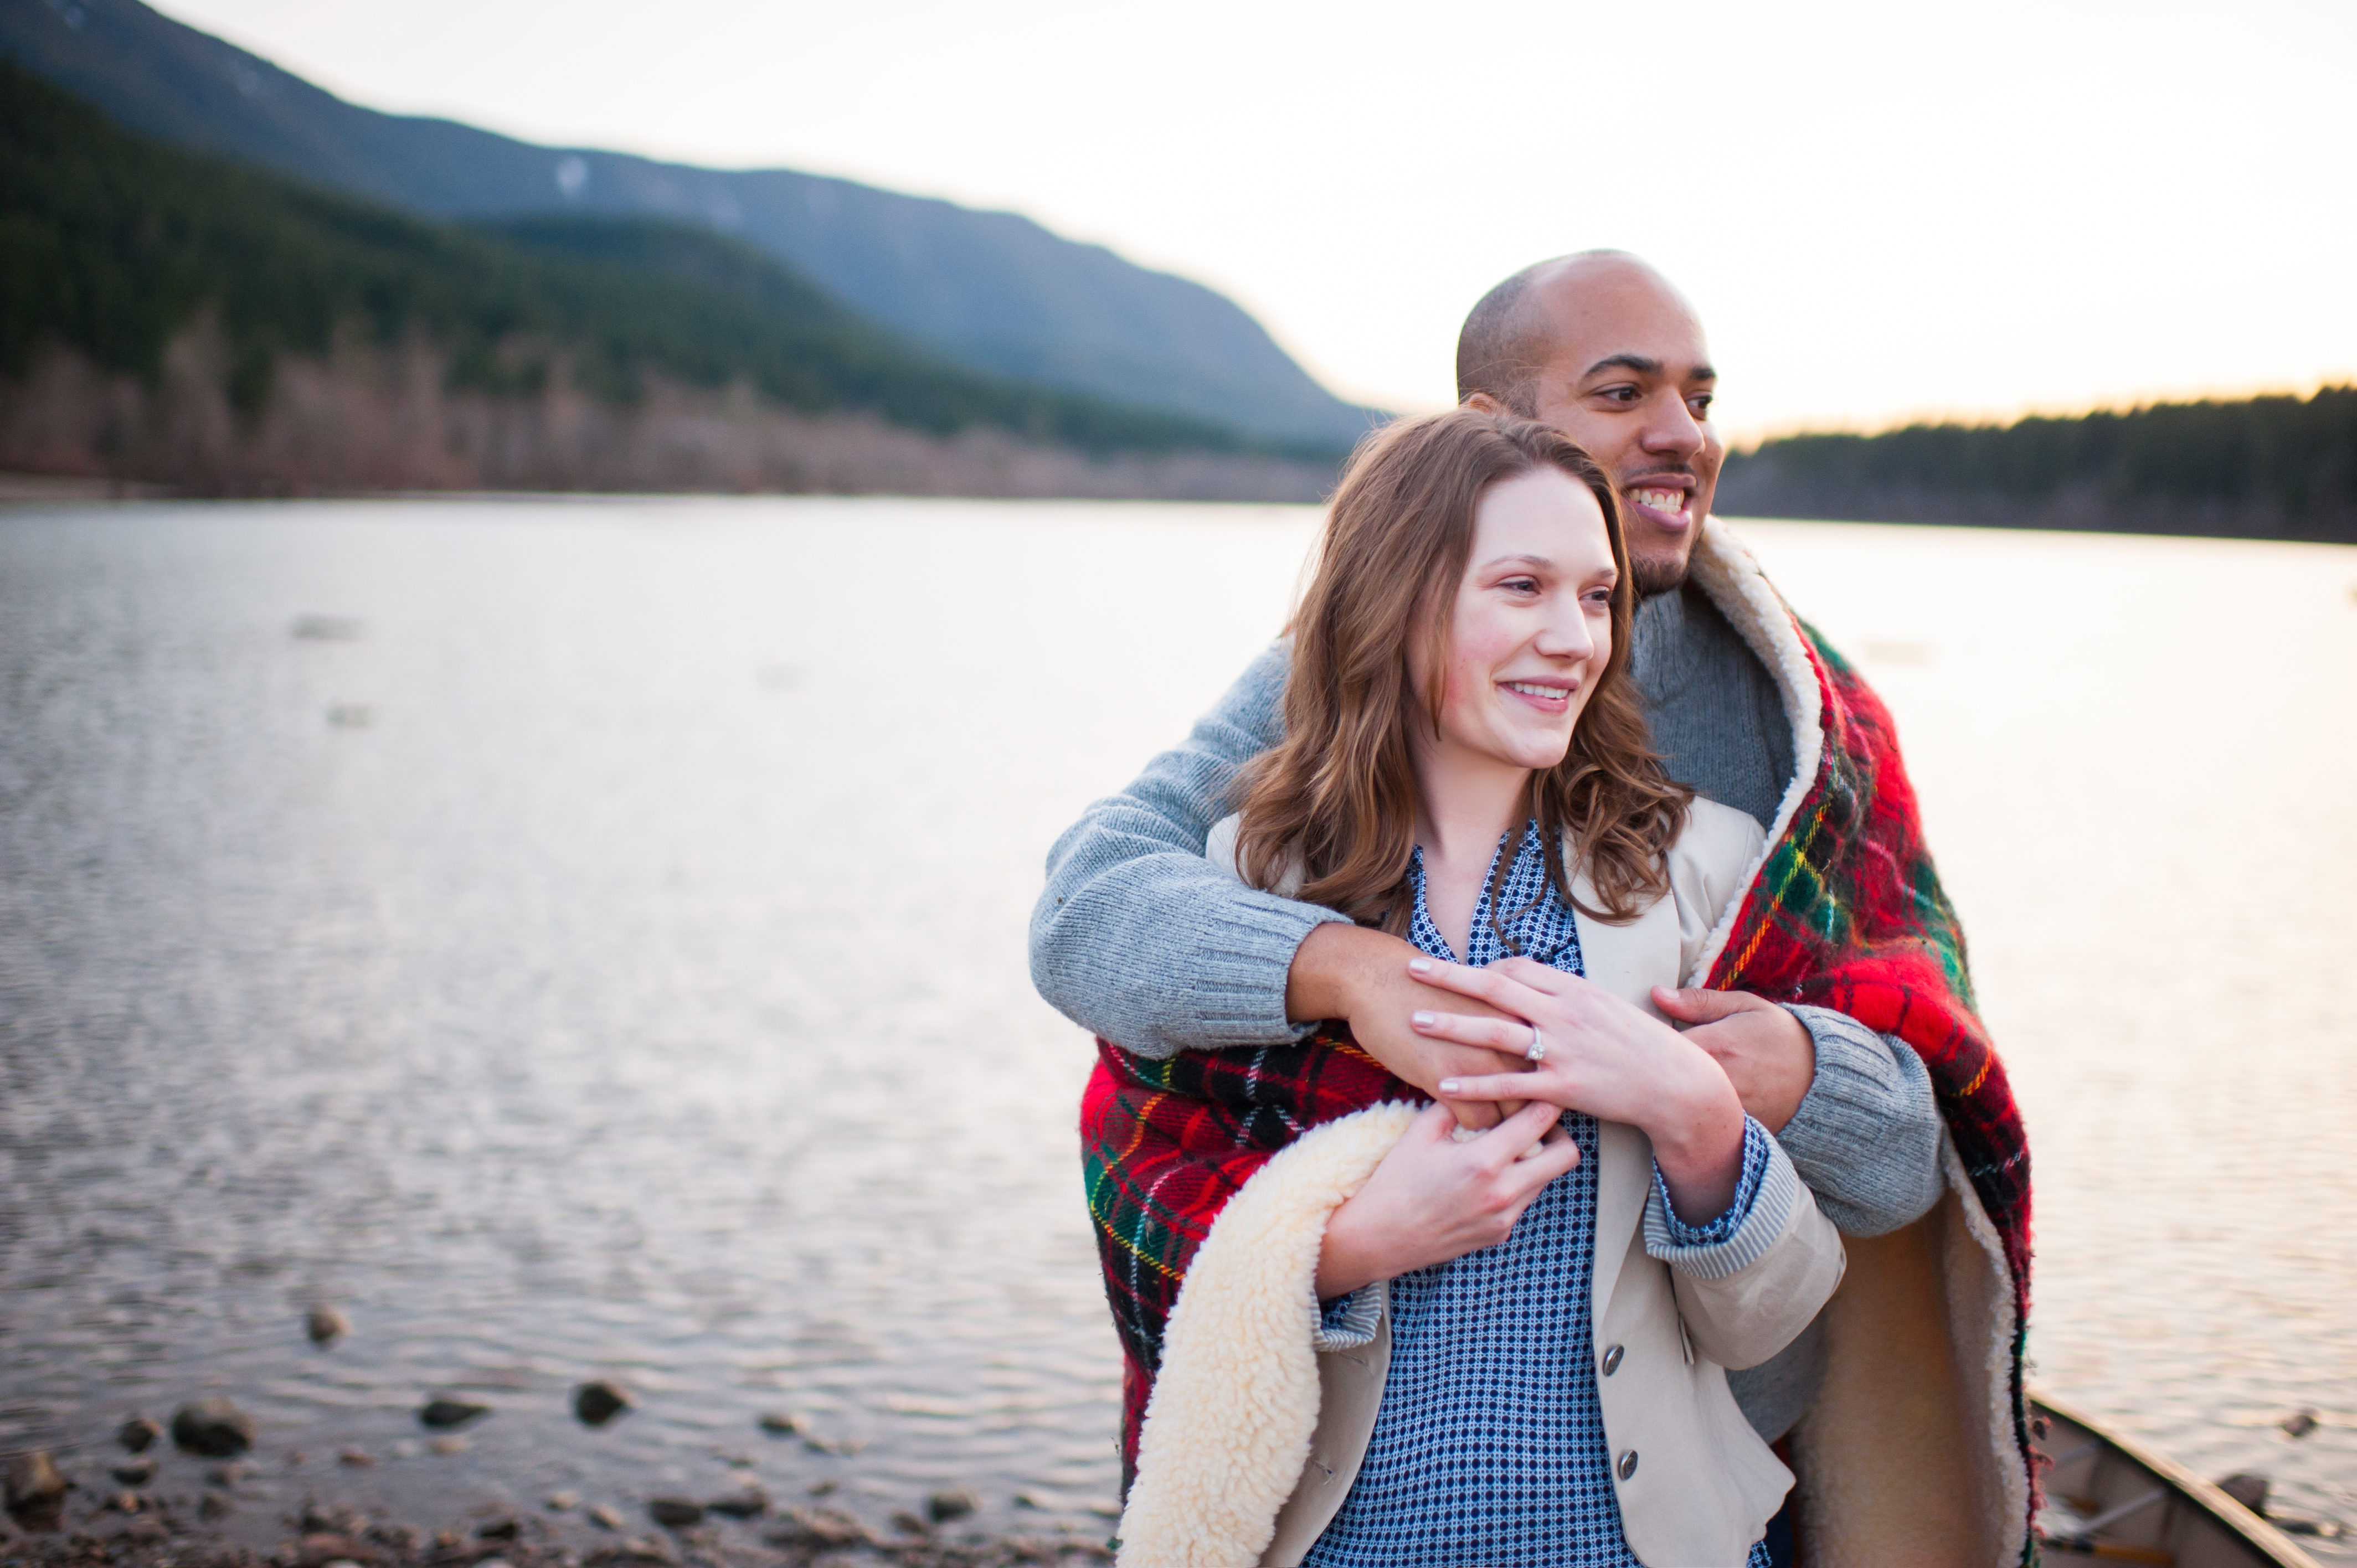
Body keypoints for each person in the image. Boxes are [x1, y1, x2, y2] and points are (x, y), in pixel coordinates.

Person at [1044, 254, 2035, 1564]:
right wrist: (1347, 973)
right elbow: (1096, 911)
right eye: (1622, 392)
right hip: (1365, 1475)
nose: (1680, 433)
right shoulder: (1332, 692)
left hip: (1697, 1445)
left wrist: (1774, 1073)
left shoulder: (1804, 725)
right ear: (1484, 435)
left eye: (1698, 394)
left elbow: (1915, 1129)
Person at [1092, 409, 1844, 1566]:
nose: (1572, 638)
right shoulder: (1250, 880)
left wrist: (1695, 1115)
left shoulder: (1704, 869)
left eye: (1596, 598)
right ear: (1396, 601)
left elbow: (1774, 1328)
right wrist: (1345, 1246)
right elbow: (1146, 1217)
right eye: (1520, 587)